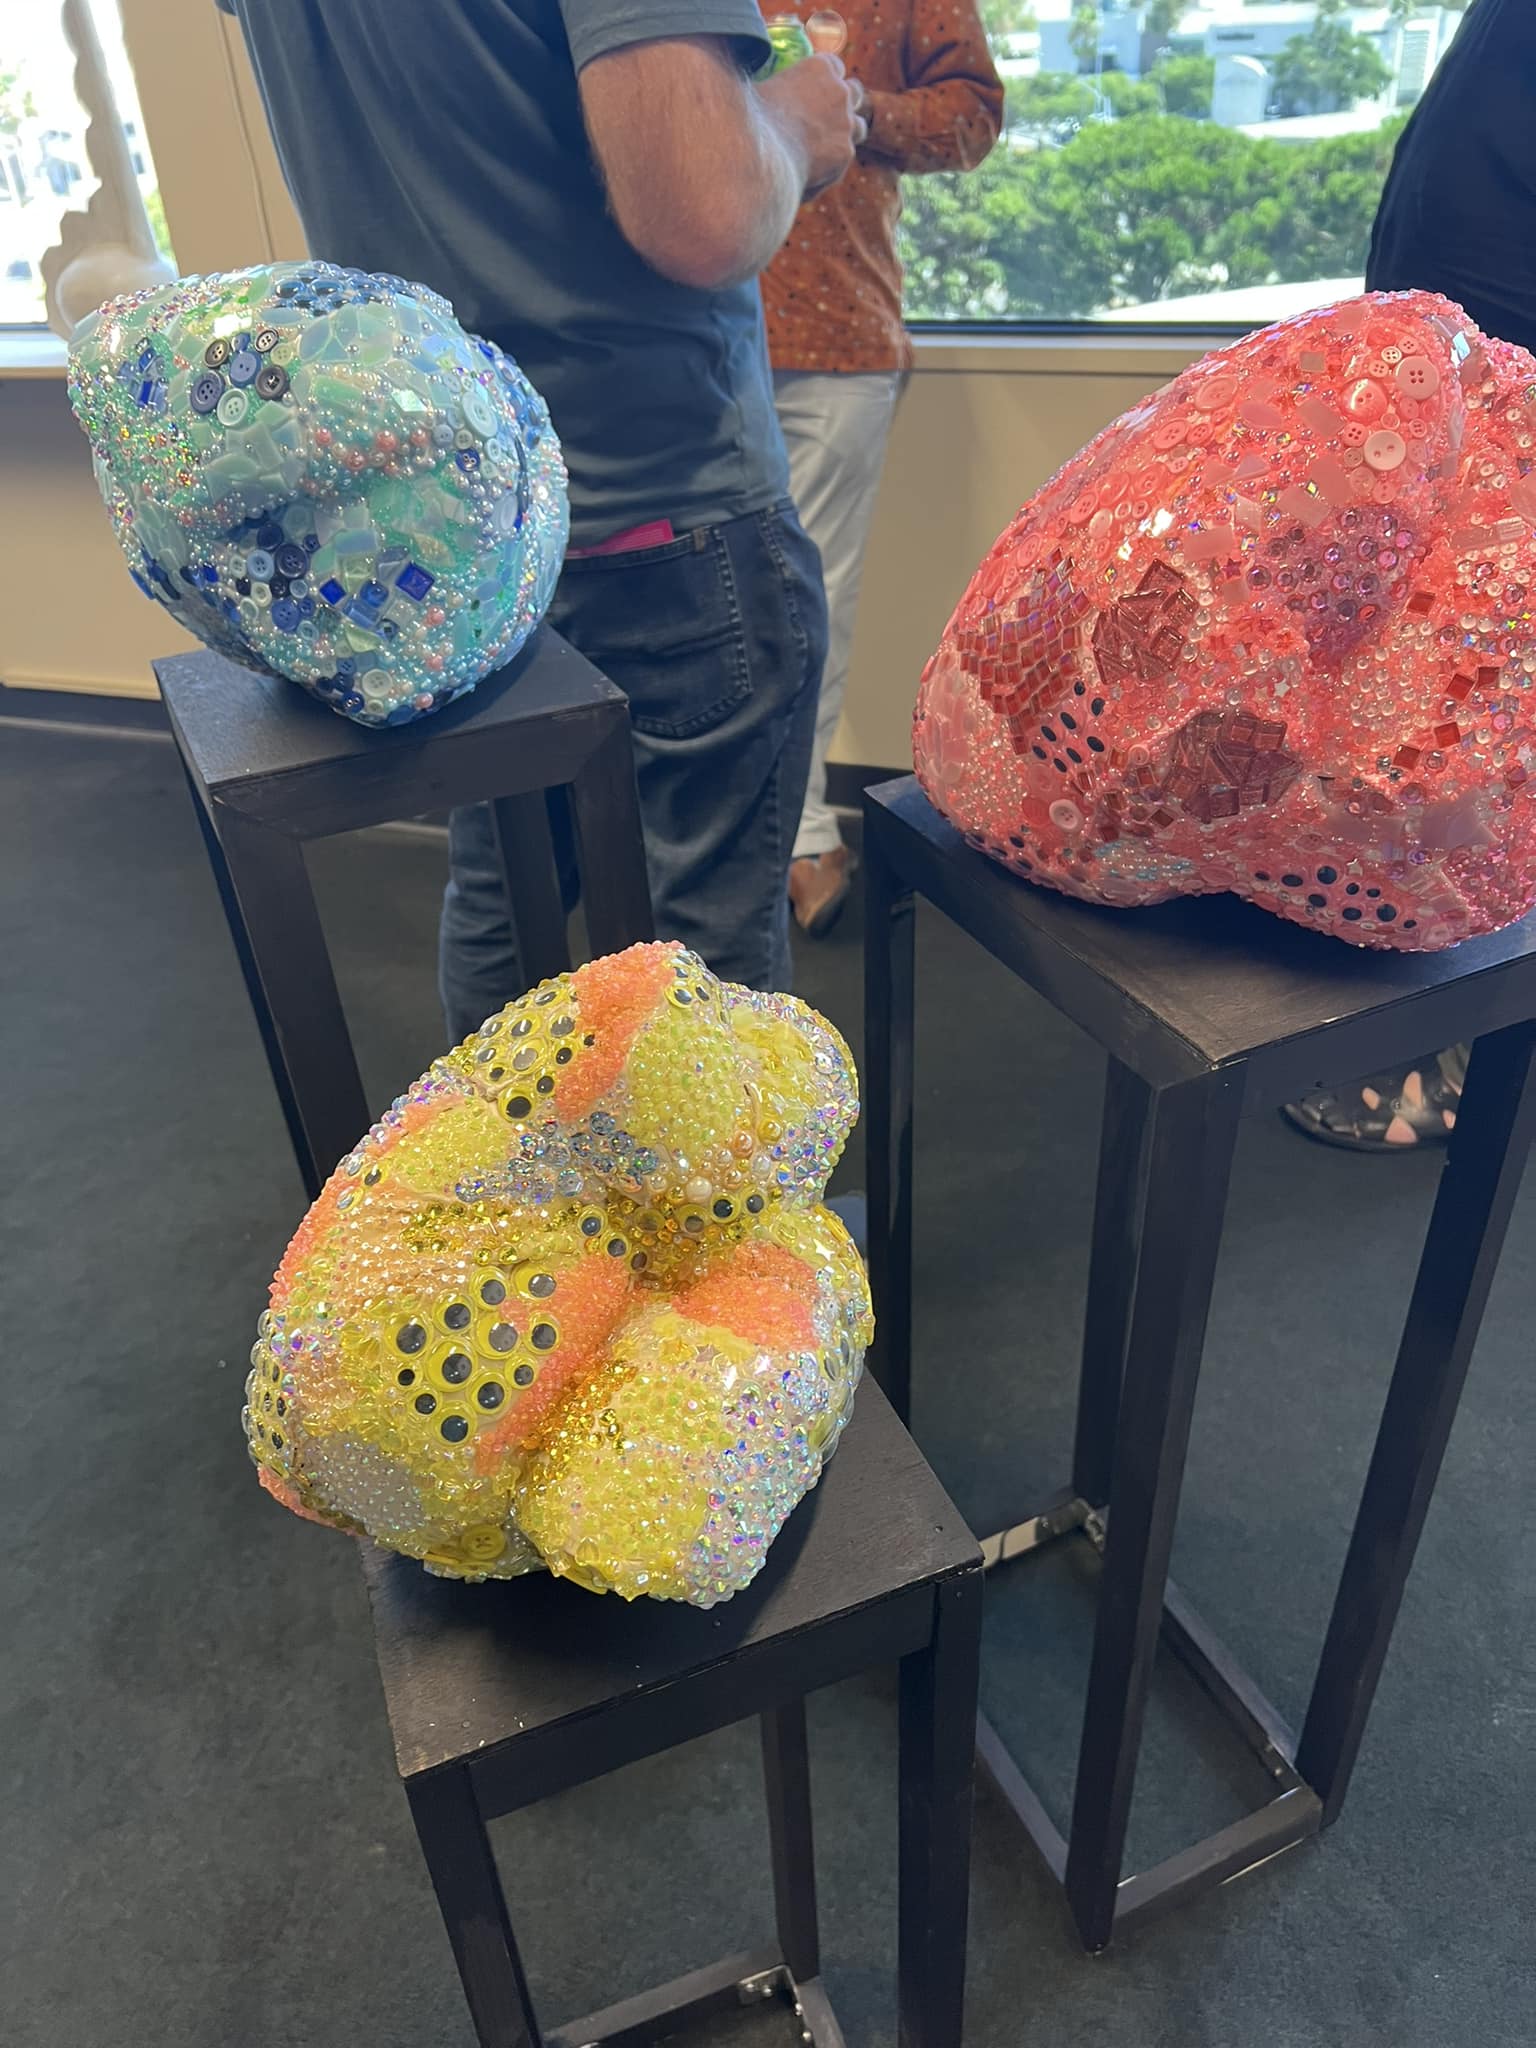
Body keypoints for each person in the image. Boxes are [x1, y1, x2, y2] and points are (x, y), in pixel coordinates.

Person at [219, 0, 866, 1042]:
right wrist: (796, 122)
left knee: (503, 897)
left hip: (462, 529)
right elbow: (705, 211)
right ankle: (696, 1161)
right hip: (665, 507)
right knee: (705, 959)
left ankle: (494, 1150)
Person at [1285, 0, 1520, 1150]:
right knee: (1422, 690)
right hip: (1451, 356)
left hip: (1501, 360)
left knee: (1476, 707)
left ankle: (1465, 1031)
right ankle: (1434, 1007)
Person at [764, 0, 1003, 935]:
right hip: (680, 327)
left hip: (837, 331)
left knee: (808, 599)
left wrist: (853, 107)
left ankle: (794, 829)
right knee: (704, 603)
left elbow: (971, 114)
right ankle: (739, 832)